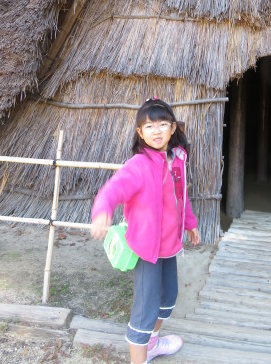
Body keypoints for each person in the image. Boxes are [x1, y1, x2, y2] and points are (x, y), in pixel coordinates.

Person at [91, 98, 200, 364]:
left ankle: (151, 344)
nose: (157, 131)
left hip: (169, 248)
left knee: (168, 299)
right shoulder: (138, 165)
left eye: (163, 124)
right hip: (146, 251)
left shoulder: (176, 160)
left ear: (173, 128)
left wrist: (190, 223)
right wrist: (102, 210)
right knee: (145, 311)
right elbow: (113, 189)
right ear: (140, 132)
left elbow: (180, 197)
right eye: (149, 126)